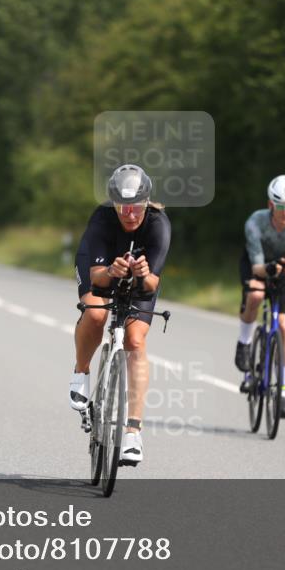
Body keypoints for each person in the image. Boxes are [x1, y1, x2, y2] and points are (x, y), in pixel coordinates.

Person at [68, 165, 171, 466]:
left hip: (140, 279)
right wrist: (112, 271)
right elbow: (98, 277)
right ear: (113, 203)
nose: (129, 213)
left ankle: (132, 433)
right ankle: (81, 371)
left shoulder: (158, 224)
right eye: (123, 206)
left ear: (147, 201)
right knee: (97, 314)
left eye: (136, 206)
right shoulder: (102, 218)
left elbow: (153, 283)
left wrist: (142, 273)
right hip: (100, 270)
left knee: (136, 341)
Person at [234, 175, 285, 417]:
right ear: (271, 205)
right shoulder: (255, 223)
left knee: (284, 325)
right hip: (257, 265)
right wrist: (269, 269)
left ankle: (284, 393)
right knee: (256, 296)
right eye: (281, 207)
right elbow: (257, 265)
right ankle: (244, 344)